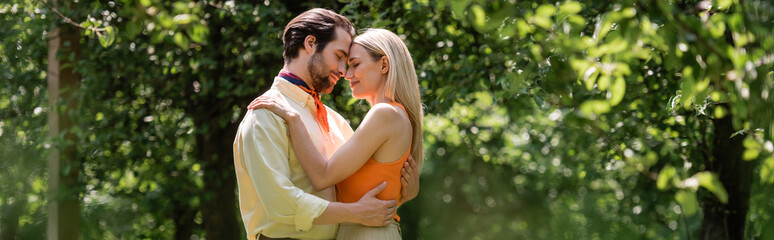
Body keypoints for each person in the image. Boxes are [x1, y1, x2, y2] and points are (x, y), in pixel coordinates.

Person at [233, 9, 420, 240]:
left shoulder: (335, 121)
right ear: (310, 43)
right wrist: (355, 213)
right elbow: (280, 203)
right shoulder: (266, 114)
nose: (343, 71)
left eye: (350, 62)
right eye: (339, 56)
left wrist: (404, 192)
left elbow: (366, 186)